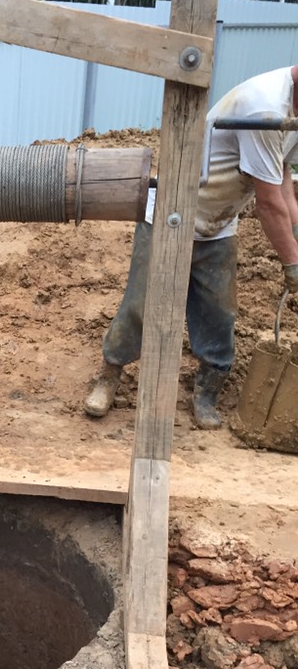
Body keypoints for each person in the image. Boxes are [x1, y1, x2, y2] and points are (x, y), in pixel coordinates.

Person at [84, 64, 298, 430]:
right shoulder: (265, 107)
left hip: (219, 223)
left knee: (219, 312)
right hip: (172, 213)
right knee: (141, 304)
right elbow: (268, 203)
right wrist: (291, 262)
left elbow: (283, 183)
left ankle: (206, 392)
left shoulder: (291, 113)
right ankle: (110, 375)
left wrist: (296, 237)